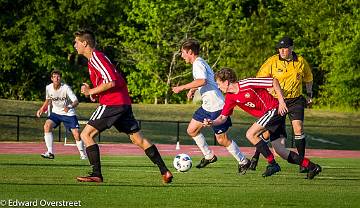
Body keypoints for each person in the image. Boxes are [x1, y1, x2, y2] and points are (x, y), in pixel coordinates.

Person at [73, 29, 172, 183]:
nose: (74, 45)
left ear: (84, 43)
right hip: (122, 103)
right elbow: (111, 82)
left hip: (113, 103)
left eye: (76, 42)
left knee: (86, 135)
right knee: (138, 140)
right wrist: (94, 93)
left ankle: (96, 174)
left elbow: (111, 81)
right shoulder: (96, 59)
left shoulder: (96, 57)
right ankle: (165, 171)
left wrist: (90, 91)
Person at [203, 68, 322, 179]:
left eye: (219, 84)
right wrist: (212, 122)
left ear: (226, 82)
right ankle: (312, 166)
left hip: (274, 109)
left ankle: (272, 164)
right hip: (271, 115)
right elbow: (223, 117)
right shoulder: (230, 97)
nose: (218, 87)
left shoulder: (247, 83)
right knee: (281, 151)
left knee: (250, 134)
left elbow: (273, 81)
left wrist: (281, 102)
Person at [172, 39, 250, 174]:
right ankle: (209, 156)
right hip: (207, 106)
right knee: (192, 130)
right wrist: (192, 89)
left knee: (222, 139)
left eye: (183, 52)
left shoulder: (198, 63)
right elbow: (202, 81)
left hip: (217, 106)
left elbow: (203, 80)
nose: (182, 55)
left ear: (190, 52)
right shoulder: (199, 62)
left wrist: (182, 87)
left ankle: (244, 161)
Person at [249, 36, 314, 173]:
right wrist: (270, 94)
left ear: (292, 48)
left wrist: (309, 94)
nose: (282, 51)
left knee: (298, 128)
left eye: (285, 48)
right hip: (276, 101)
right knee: (267, 132)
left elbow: (308, 79)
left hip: (295, 100)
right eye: (280, 48)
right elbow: (260, 79)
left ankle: (303, 162)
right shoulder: (272, 61)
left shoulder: (301, 61)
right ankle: (255, 157)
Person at [36, 70, 87, 160]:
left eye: (58, 76)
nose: (57, 78)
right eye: (54, 76)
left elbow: (76, 101)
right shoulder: (48, 87)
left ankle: (83, 154)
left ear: (61, 78)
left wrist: (69, 106)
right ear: (51, 79)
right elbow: (48, 100)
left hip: (68, 114)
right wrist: (41, 109)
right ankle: (50, 152)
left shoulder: (66, 88)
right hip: (56, 113)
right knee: (47, 126)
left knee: (76, 134)